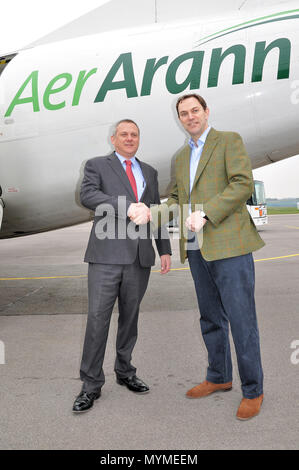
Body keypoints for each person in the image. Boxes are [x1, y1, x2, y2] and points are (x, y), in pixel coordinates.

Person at [131, 94, 265, 420]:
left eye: (195, 110)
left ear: (206, 112)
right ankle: (218, 377)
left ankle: (253, 390)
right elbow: (176, 200)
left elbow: (241, 183)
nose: (190, 117)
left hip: (230, 246)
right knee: (210, 318)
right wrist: (151, 214)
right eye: (183, 113)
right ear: (179, 119)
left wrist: (205, 214)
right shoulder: (180, 157)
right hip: (195, 247)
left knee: (242, 320)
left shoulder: (228, 141)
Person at [72, 119, 171, 413]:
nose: (129, 139)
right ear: (113, 139)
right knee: (97, 321)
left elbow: (155, 212)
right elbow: (87, 195)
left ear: (139, 139)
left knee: (130, 320)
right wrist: (126, 208)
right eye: (124, 134)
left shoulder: (150, 172)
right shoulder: (96, 166)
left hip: (140, 259)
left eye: (134, 135)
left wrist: (163, 249)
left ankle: (125, 372)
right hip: (106, 257)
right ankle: (90, 385)